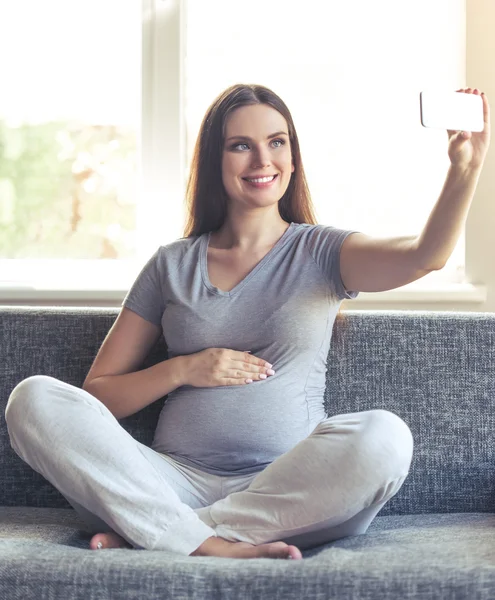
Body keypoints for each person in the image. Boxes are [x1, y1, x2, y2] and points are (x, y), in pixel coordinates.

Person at [5, 83, 490, 560]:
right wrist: (184, 369)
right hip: (170, 483)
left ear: (293, 158)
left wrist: (463, 171)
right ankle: (190, 533)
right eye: (242, 146)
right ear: (216, 163)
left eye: (277, 142)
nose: (263, 160)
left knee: (385, 437)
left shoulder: (322, 253)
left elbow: (426, 255)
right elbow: (101, 394)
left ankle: (168, 535)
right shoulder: (171, 265)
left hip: (289, 495)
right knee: (33, 398)